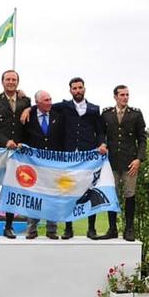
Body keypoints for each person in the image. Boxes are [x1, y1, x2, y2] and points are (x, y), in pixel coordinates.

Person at [50, 77, 107, 239]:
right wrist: (27, 108)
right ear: (70, 91)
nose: (77, 91)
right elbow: (44, 106)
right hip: (69, 156)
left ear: (84, 89)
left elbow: (100, 131)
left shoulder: (94, 109)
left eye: (80, 88)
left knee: (90, 190)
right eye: (74, 88)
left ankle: (91, 228)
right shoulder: (64, 106)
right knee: (68, 191)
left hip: (88, 156)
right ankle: (68, 228)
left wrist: (102, 144)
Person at [0, 70, 31, 238]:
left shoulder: (25, 101)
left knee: (12, 189)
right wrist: (4, 141)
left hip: (17, 154)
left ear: (18, 82)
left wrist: (30, 107)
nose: (11, 82)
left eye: (14, 79)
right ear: (2, 82)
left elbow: (29, 126)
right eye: (8, 79)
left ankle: (8, 226)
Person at [100, 85, 147, 241]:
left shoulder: (136, 115)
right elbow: (101, 133)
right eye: (122, 95)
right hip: (111, 163)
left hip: (130, 163)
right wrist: (102, 144)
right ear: (115, 97)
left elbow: (142, 139)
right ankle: (112, 228)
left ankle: (129, 229)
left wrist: (138, 159)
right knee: (111, 196)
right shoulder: (106, 114)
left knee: (129, 195)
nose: (125, 97)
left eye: (127, 94)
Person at [21, 90, 64, 239]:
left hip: (53, 164)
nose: (49, 102)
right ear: (37, 103)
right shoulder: (28, 117)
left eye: (50, 99)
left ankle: (51, 230)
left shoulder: (58, 116)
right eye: (46, 100)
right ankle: (32, 230)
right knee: (34, 196)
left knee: (52, 196)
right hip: (34, 164)